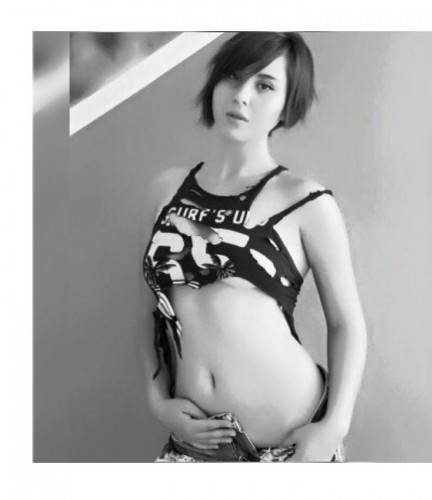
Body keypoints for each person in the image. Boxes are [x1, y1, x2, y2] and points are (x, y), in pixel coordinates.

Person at [140, 31, 367, 462]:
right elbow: (146, 314)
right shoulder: (165, 191)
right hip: (194, 445)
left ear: (287, 103)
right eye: (233, 76)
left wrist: (334, 427)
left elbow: (346, 323)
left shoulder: (306, 201)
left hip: (291, 447)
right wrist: (158, 404)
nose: (241, 95)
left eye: (264, 85)